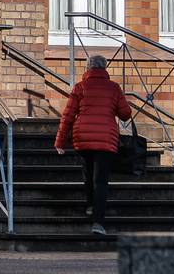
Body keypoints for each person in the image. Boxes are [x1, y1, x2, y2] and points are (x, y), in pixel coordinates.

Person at [55, 55, 134, 233]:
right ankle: (98, 223)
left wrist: (60, 141)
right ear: (105, 68)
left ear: (87, 68)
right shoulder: (114, 88)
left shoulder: (80, 87)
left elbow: (68, 115)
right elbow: (125, 114)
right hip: (106, 138)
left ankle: (90, 205)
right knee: (101, 180)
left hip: (82, 136)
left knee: (88, 173)